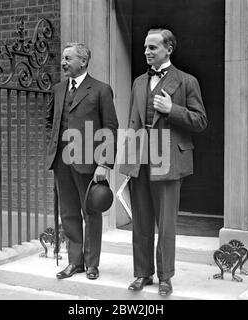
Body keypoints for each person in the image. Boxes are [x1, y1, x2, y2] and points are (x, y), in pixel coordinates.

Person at [119, 28, 207, 296]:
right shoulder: (137, 82)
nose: (146, 52)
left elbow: (200, 121)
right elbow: (133, 122)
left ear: (168, 49)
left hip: (168, 158)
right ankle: (142, 273)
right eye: (145, 47)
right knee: (141, 221)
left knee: (166, 222)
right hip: (140, 158)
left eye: (153, 47)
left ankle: (165, 277)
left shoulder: (186, 81)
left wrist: (173, 110)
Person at [46, 43, 118, 281]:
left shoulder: (100, 90)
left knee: (91, 213)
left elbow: (110, 128)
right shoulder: (57, 89)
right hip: (61, 162)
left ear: (83, 61)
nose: (63, 63)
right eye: (63, 59)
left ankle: (91, 264)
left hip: (89, 163)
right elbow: (51, 122)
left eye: (68, 58)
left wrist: (104, 164)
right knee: (68, 214)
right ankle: (74, 262)